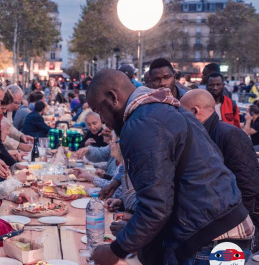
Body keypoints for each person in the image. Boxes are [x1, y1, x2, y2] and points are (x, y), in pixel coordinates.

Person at [87, 69, 252, 265]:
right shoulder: (162, 109)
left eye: (99, 111)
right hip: (222, 228)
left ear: (113, 97)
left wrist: (116, 250)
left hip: (207, 239)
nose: (103, 120)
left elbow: (156, 206)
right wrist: (135, 227)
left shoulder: (142, 123)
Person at [181, 89, 259, 252]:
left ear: (195, 111)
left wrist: (231, 223)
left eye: (182, 112)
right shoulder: (204, 134)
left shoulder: (229, 134)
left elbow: (249, 185)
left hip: (229, 233)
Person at [3, 85, 33, 152]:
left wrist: (21, 136)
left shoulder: (8, 110)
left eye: (19, 104)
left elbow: (9, 127)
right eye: (15, 103)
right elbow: (0, 135)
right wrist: (18, 145)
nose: (17, 107)